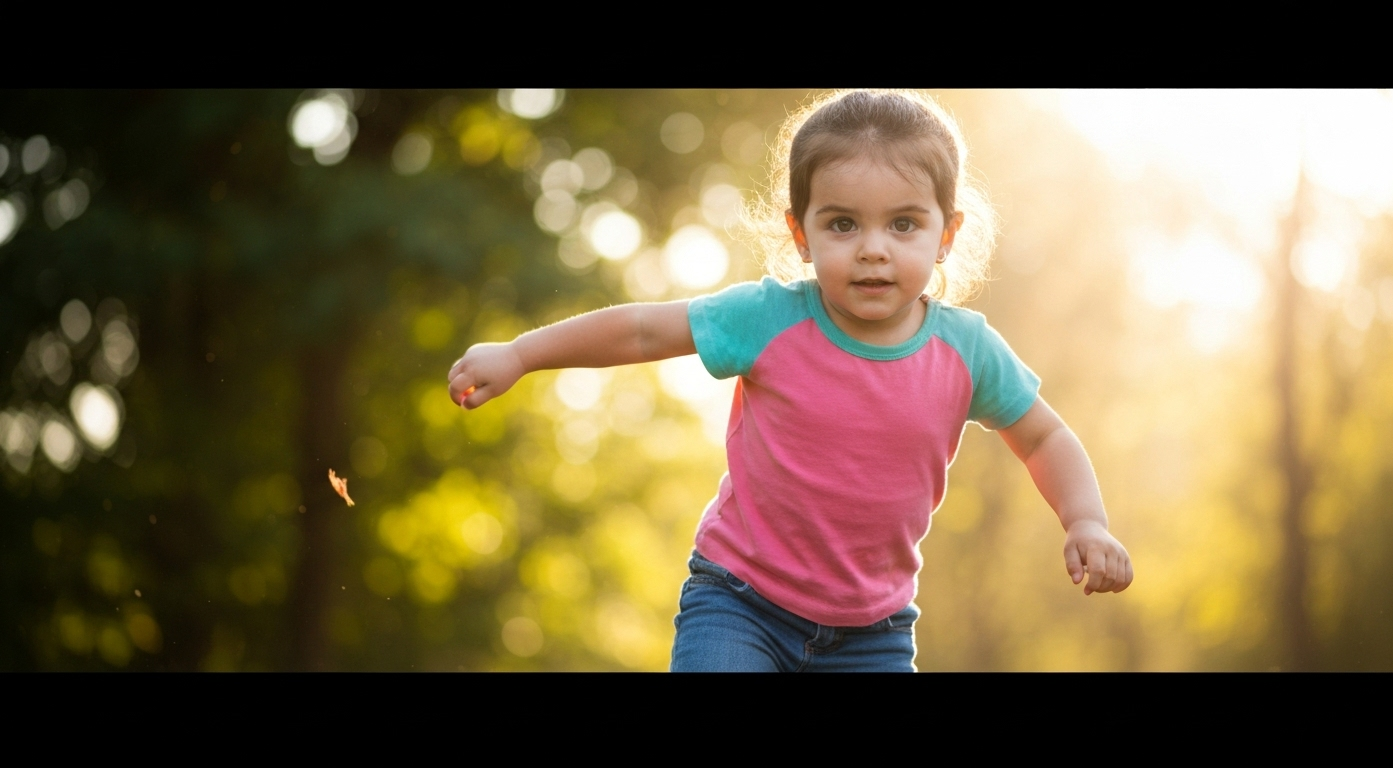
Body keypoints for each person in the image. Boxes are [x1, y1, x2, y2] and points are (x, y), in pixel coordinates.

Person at [447, 90, 1133, 672]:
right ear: (801, 234)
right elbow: (642, 330)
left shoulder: (967, 350)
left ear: (946, 233)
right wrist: (520, 354)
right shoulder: (769, 317)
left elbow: (1042, 436)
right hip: (738, 603)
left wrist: (1086, 520)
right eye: (842, 223)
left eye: (903, 224)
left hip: (875, 632)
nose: (873, 247)